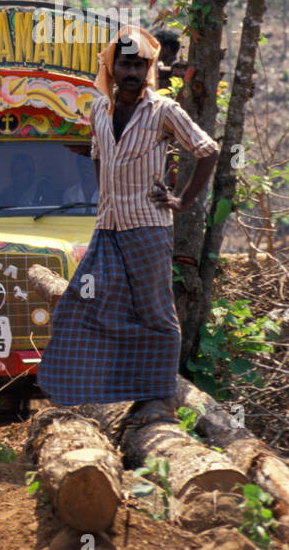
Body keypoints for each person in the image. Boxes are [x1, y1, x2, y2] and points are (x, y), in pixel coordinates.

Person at [37, 26, 220, 425]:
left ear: (149, 68)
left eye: (140, 64)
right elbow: (99, 156)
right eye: (125, 63)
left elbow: (208, 150)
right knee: (84, 305)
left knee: (157, 314)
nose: (132, 71)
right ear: (111, 66)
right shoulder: (99, 109)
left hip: (147, 227)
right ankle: (112, 392)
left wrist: (182, 201)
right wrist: (106, 198)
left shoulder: (163, 111)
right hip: (108, 228)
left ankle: (159, 402)